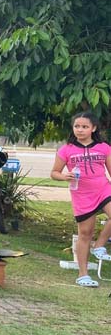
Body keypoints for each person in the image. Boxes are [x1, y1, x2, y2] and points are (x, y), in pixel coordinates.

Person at [51, 112, 111, 287]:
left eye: (84, 126)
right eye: (77, 126)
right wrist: (65, 176)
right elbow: (54, 173)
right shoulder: (66, 149)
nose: (80, 130)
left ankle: (99, 246)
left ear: (93, 128)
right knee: (85, 234)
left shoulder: (104, 147)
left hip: (103, 189)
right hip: (81, 195)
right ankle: (83, 275)